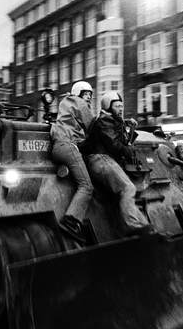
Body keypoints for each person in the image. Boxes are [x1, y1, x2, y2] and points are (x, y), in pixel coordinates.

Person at [84, 91, 155, 236]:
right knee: (128, 188)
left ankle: (145, 227)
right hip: (100, 159)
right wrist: (128, 150)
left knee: (128, 191)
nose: (121, 109)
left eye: (122, 106)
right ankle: (133, 226)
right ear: (108, 107)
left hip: (106, 159)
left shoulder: (112, 121)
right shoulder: (103, 121)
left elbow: (121, 139)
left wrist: (126, 124)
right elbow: (114, 144)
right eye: (117, 106)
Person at [50, 81, 96, 243]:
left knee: (78, 182)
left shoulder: (65, 103)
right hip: (69, 147)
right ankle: (71, 220)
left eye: (91, 95)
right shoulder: (80, 103)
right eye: (86, 94)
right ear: (79, 94)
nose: (89, 98)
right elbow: (93, 127)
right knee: (87, 186)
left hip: (58, 147)